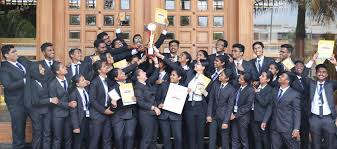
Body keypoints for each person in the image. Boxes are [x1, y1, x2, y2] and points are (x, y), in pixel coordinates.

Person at [0, 45, 29, 149]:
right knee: (18, 128)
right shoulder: (3, 68)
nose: (16, 53)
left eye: (16, 51)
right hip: (16, 103)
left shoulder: (22, 62)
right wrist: (25, 81)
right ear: (6, 55)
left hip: (28, 100)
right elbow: (8, 86)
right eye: (13, 52)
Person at [262, 71, 301, 149]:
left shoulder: (294, 94)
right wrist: (265, 120)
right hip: (274, 127)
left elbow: (297, 112)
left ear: (287, 81)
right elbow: (270, 106)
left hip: (287, 128)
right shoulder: (274, 90)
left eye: (282, 76)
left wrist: (296, 128)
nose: (279, 76)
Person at [134, 57, 160, 149]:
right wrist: (154, 107)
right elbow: (140, 102)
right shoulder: (137, 87)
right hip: (146, 116)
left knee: (153, 138)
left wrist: (156, 63)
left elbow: (155, 75)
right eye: (142, 72)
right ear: (138, 77)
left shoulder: (147, 83)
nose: (145, 73)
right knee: (146, 138)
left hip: (153, 115)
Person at [28, 62, 56, 149]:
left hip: (46, 111)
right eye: (40, 69)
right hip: (36, 113)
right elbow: (35, 101)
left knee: (47, 133)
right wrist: (50, 100)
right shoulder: (31, 84)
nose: (43, 69)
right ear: (35, 71)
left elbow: (52, 75)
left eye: (43, 68)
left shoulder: (43, 80)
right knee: (37, 134)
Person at [49, 62, 76, 149]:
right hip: (58, 115)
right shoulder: (52, 84)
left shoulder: (69, 80)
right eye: (62, 67)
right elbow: (54, 100)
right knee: (57, 138)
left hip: (69, 114)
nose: (65, 68)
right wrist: (68, 104)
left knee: (68, 138)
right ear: (57, 71)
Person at [88, 60, 114, 149]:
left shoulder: (108, 80)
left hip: (108, 112)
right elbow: (92, 100)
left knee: (107, 139)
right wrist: (103, 111)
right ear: (99, 70)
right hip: (97, 115)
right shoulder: (94, 82)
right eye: (104, 66)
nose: (106, 67)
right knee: (95, 140)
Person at [156, 69, 185, 149]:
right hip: (164, 116)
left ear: (179, 77)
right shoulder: (164, 85)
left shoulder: (183, 87)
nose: (171, 76)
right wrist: (159, 104)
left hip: (176, 116)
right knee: (165, 138)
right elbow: (157, 98)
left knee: (178, 138)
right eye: (171, 74)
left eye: (173, 75)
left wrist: (187, 94)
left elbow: (185, 102)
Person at [207, 69, 235, 149]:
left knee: (224, 141)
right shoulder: (215, 84)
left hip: (224, 118)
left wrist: (226, 121)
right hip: (213, 117)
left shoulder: (231, 89)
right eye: (220, 74)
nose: (219, 76)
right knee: (212, 139)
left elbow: (230, 106)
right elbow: (211, 100)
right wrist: (209, 114)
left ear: (227, 78)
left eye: (222, 75)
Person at [230, 72, 255, 149]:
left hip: (243, 118)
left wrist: (236, 115)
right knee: (234, 138)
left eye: (241, 79)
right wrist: (231, 113)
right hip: (233, 116)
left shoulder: (250, 90)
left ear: (245, 81)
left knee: (243, 139)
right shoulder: (237, 87)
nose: (238, 79)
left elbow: (247, 106)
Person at [251, 71, 273, 149]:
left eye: (263, 76)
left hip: (262, 118)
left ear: (268, 80)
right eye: (260, 75)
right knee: (256, 138)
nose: (260, 77)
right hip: (253, 116)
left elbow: (264, 103)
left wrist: (257, 93)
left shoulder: (270, 89)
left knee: (265, 139)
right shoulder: (256, 86)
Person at [69, 74, 91, 149]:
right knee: (78, 141)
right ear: (77, 84)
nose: (85, 81)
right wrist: (76, 126)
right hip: (79, 119)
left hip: (88, 117)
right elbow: (73, 112)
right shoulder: (73, 94)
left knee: (88, 139)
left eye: (84, 79)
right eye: (82, 80)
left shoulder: (86, 89)